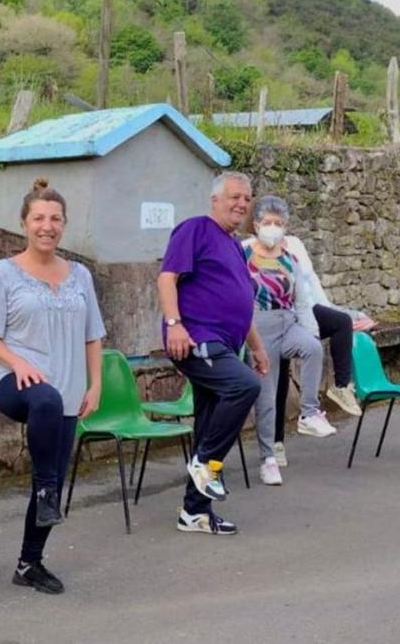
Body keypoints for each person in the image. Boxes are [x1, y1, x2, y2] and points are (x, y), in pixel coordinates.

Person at [0, 178, 105, 595]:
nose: (46, 226)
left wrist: (96, 384)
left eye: (55, 219)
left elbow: (93, 336)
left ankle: (29, 564)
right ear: (24, 223)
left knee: (54, 472)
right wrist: (19, 363)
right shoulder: (3, 273)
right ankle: (46, 489)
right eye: (38, 218)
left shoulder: (80, 275)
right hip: (13, 382)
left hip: (67, 390)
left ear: (63, 224)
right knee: (45, 402)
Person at [157, 171, 268, 535]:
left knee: (208, 421)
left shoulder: (234, 245)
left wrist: (256, 346)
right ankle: (206, 463)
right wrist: (174, 323)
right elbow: (167, 276)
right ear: (215, 200)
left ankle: (194, 513)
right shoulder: (196, 229)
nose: (241, 203)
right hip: (195, 338)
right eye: (234, 196)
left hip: (224, 345)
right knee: (245, 387)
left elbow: (242, 302)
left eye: (246, 199)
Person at [242, 196, 367, 471]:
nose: (273, 228)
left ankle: (315, 408)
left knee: (315, 344)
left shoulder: (293, 252)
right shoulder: (243, 253)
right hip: (259, 326)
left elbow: (308, 286)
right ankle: (271, 452)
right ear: (256, 224)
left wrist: (327, 315)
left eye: (279, 223)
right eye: (267, 222)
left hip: (295, 316)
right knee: (270, 391)